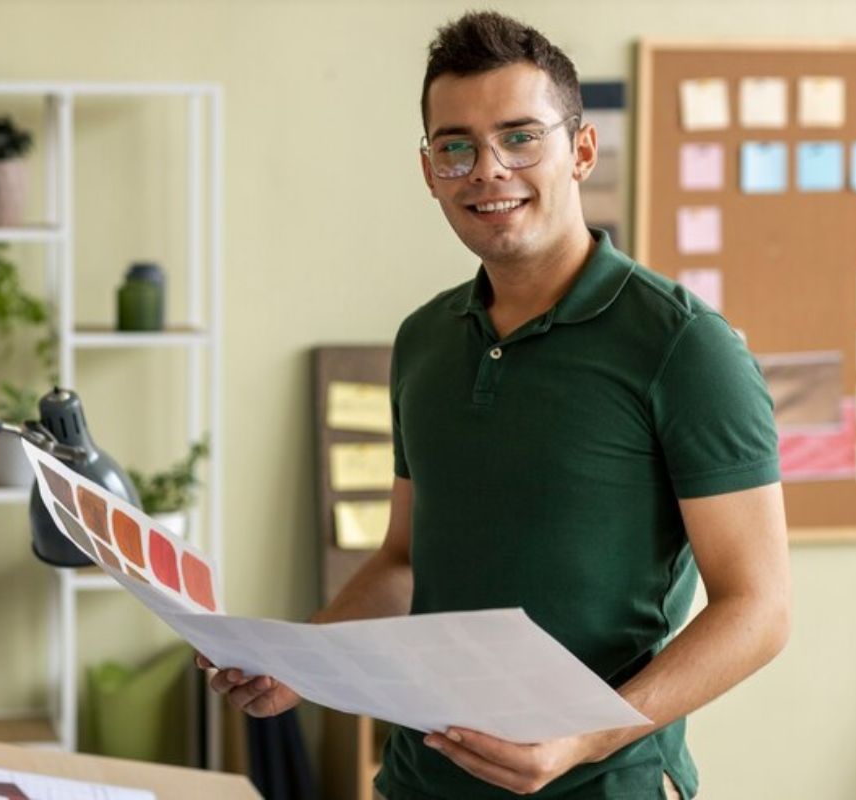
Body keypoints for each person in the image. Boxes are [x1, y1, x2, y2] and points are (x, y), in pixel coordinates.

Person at [198, 11, 790, 799]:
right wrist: (305, 662)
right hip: (418, 781)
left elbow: (759, 609)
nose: (487, 169)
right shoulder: (423, 342)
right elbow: (405, 564)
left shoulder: (685, 347)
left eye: (520, 137)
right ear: (428, 168)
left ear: (581, 151)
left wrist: (584, 739)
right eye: (456, 147)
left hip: (606, 786)